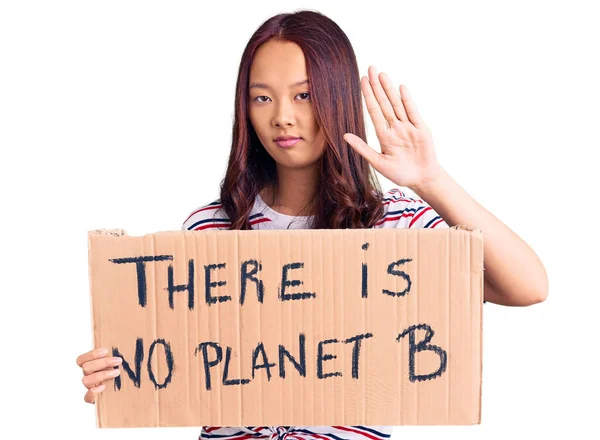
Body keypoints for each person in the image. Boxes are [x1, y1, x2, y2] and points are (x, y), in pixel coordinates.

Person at [76, 9, 548, 440]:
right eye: (262, 97)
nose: (282, 116)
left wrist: (431, 180)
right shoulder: (210, 230)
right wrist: (120, 375)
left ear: (336, 97)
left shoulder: (395, 229)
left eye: (303, 95)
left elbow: (527, 286)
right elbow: (180, 361)